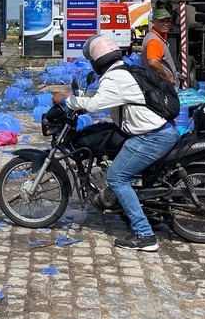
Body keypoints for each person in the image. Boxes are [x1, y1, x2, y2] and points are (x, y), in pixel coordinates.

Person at [51, 35, 178, 252]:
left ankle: (145, 235)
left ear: (96, 60)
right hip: (157, 131)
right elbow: (99, 95)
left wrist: (66, 100)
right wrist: (79, 96)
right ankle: (142, 212)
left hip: (152, 136)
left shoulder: (114, 78)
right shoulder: (121, 70)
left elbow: (95, 104)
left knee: (117, 177)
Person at [142, 8, 180, 87]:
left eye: (168, 21)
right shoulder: (154, 40)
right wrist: (167, 77)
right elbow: (153, 62)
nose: (166, 24)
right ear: (153, 23)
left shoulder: (155, 37)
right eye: (161, 21)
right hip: (161, 87)